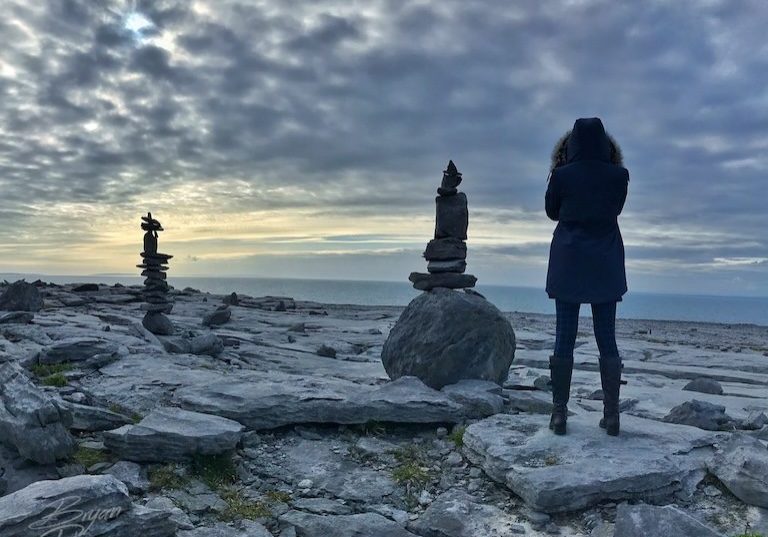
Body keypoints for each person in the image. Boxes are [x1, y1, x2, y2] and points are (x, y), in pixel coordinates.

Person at [544, 117, 629, 436]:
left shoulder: (561, 176)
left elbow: (552, 211)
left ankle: (559, 414)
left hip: (569, 260)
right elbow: (615, 210)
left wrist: (559, 172)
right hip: (605, 261)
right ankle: (612, 415)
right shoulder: (619, 176)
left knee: (564, 336)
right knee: (606, 337)